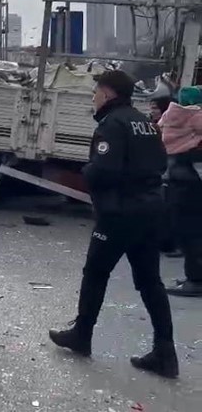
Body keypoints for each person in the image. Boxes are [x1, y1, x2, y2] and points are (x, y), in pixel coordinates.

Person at [49, 70, 178, 379]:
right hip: (149, 210)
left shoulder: (113, 124)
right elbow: (161, 162)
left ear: (107, 94)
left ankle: (82, 335)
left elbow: (104, 170)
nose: (93, 97)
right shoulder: (145, 122)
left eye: (96, 91)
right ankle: (165, 352)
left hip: (119, 212)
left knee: (95, 272)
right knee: (150, 282)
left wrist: (88, 170)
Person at [158, 85, 202, 298]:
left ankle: (195, 278)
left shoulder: (171, 115)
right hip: (189, 179)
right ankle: (195, 278)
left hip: (178, 176)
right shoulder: (194, 117)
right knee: (193, 232)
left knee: (188, 232)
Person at [150, 95, 182, 257]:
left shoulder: (170, 125)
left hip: (168, 173)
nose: (152, 111)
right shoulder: (156, 123)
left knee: (168, 209)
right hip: (163, 173)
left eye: (155, 107)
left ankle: (169, 243)